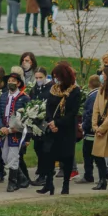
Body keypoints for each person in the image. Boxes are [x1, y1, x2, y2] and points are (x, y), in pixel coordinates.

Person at [37, 63, 82, 196]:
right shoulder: (53, 89)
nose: (56, 79)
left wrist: (58, 123)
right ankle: (49, 184)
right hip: (52, 128)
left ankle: (65, 185)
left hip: (66, 129)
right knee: (48, 155)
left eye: (58, 77)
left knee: (67, 157)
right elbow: (49, 107)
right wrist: (51, 122)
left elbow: (72, 112)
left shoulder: (74, 91)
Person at [0, 72, 30, 192]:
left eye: (13, 81)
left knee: (13, 156)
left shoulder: (24, 97)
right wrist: (1, 127)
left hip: (16, 132)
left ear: (18, 83)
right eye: (9, 80)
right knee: (5, 157)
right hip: (4, 131)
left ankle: (12, 182)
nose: (10, 83)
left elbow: (27, 117)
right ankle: (22, 178)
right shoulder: (3, 96)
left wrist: (15, 130)